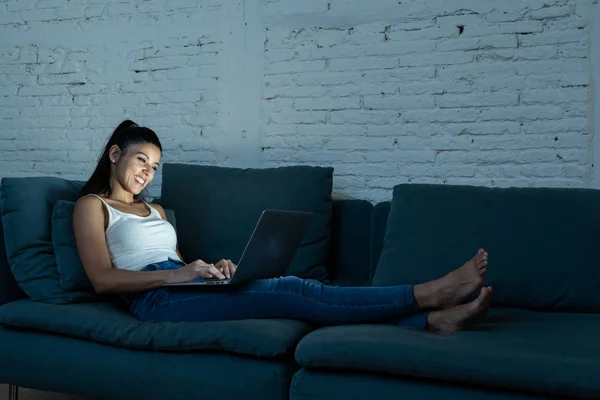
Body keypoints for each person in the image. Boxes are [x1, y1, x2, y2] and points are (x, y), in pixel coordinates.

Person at [73, 120, 493, 335]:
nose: (147, 172)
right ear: (115, 153)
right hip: (153, 301)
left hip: (182, 288)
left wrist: (210, 270)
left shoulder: (159, 211)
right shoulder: (92, 206)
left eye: (154, 166)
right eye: (141, 160)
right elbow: (102, 280)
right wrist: (178, 274)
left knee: (290, 292)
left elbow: (181, 267)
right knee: (294, 289)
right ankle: (429, 295)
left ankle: (431, 324)